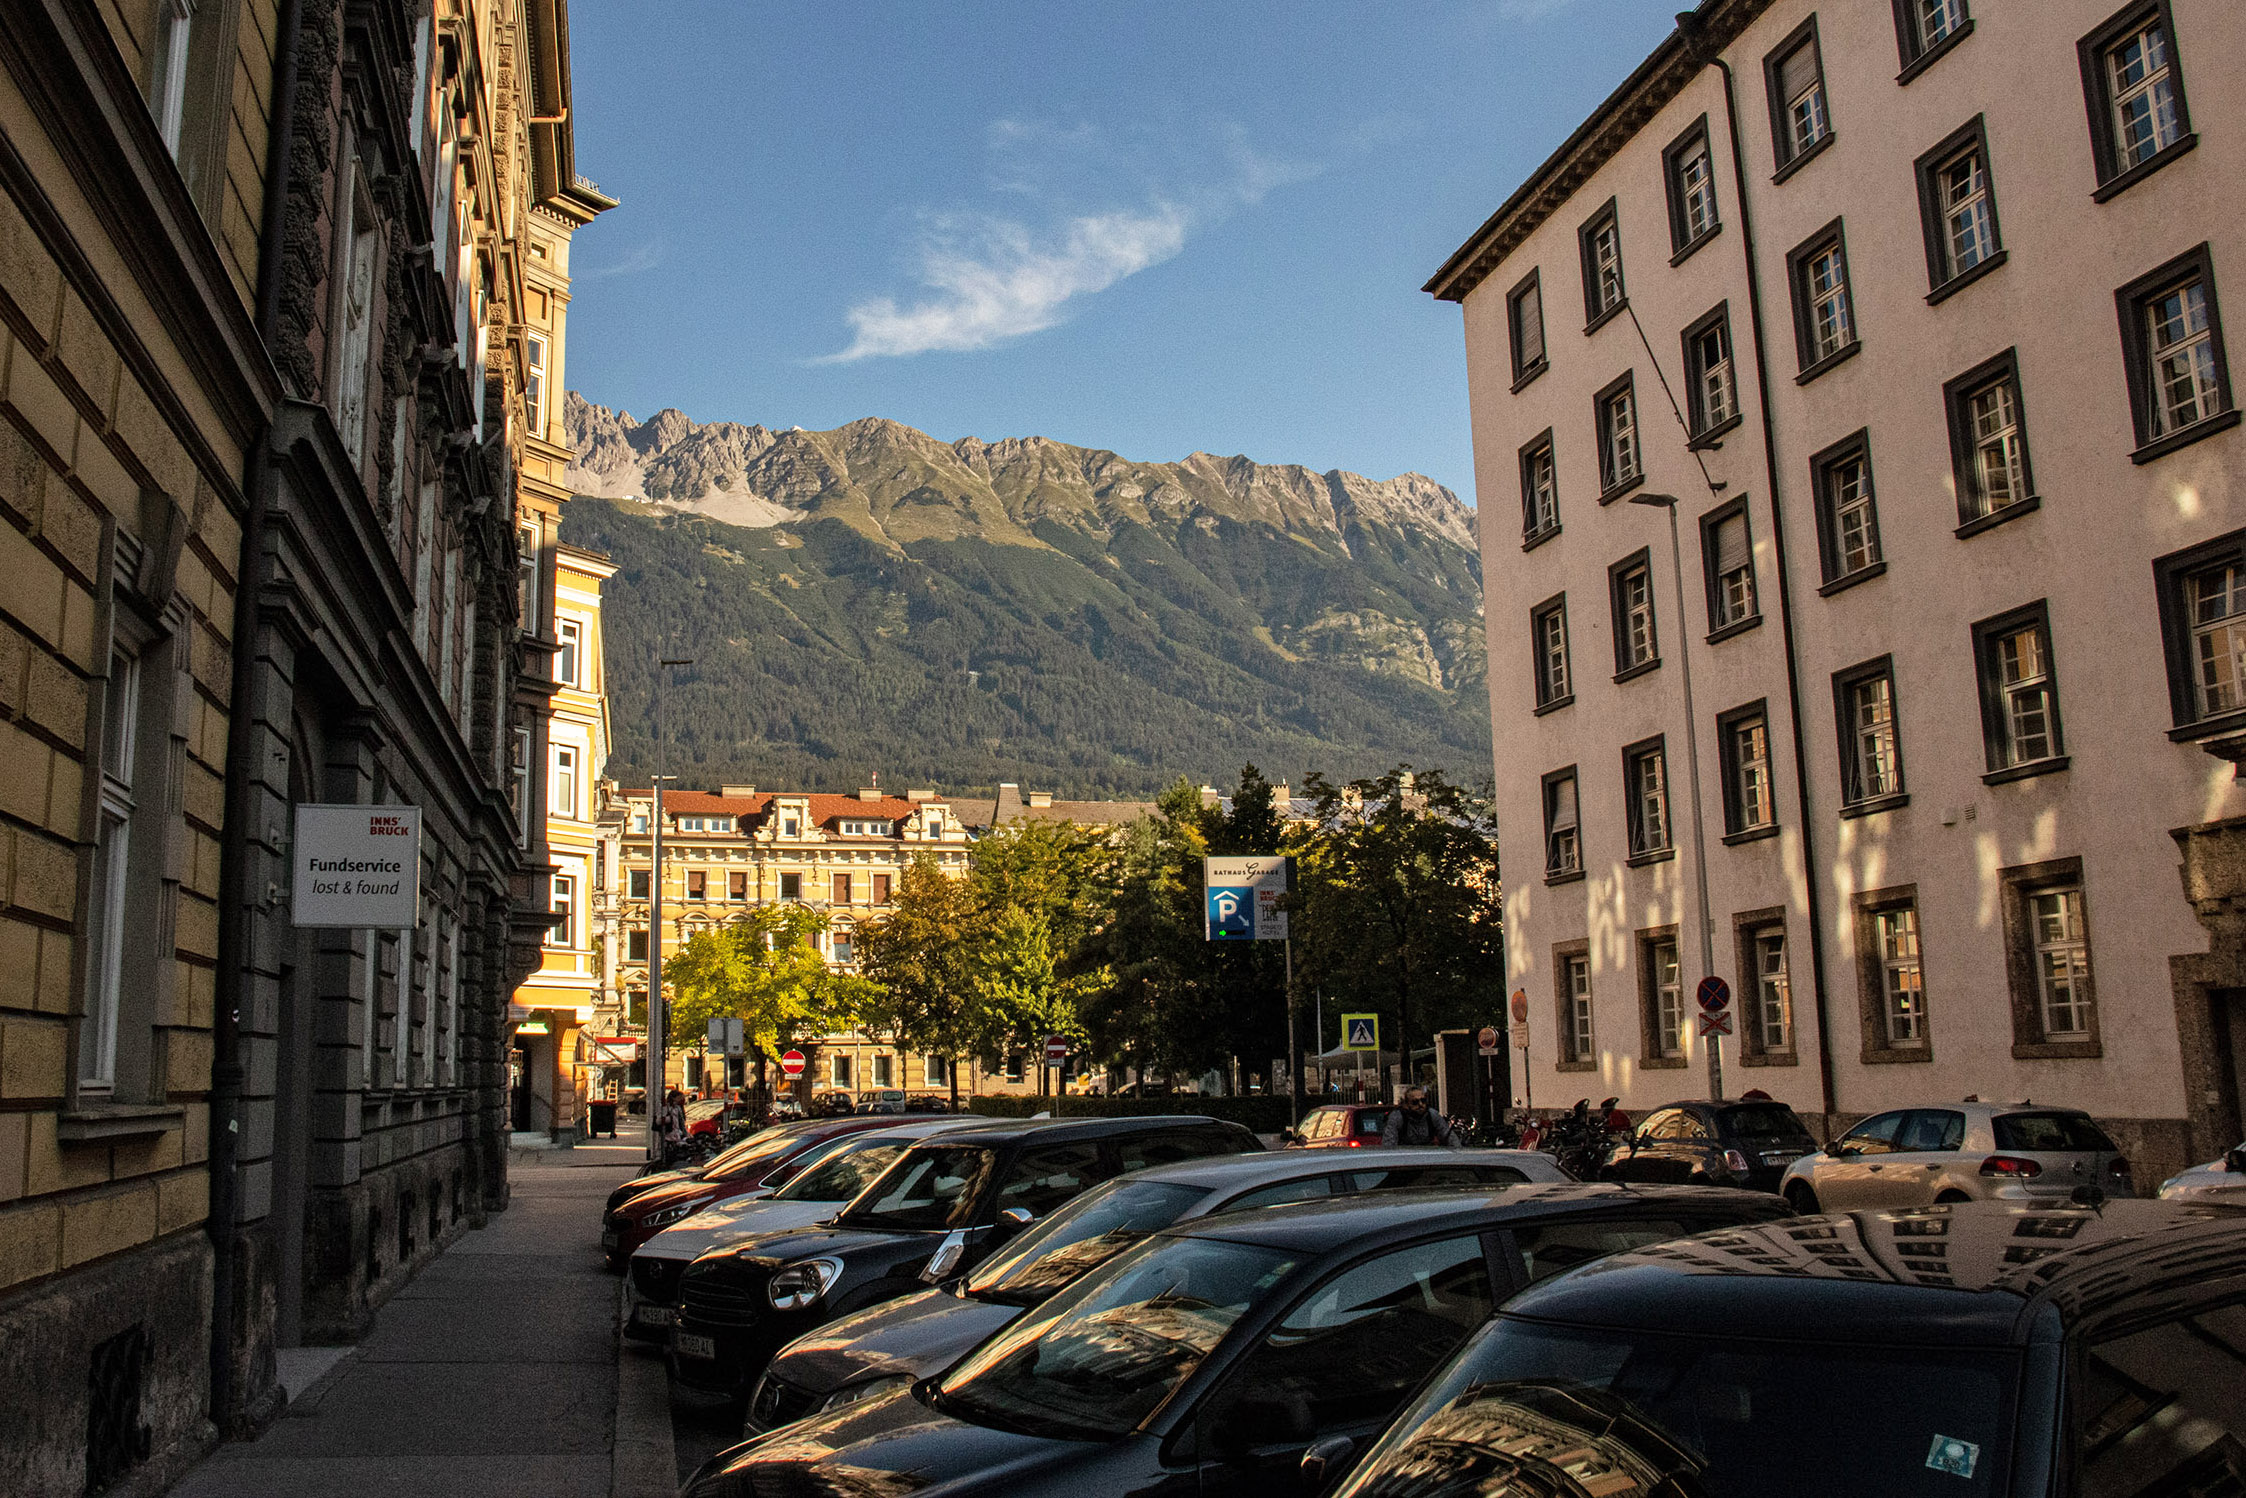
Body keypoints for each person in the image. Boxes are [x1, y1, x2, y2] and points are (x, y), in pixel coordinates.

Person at [1380, 1087, 1463, 1148]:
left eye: (1423, 1101)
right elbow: (1389, 1144)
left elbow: (1448, 1136)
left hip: (1428, 1159)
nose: (1420, 1105)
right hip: (1404, 1160)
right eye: (1415, 1102)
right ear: (1406, 1104)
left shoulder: (1432, 1115)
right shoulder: (1397, 1117)